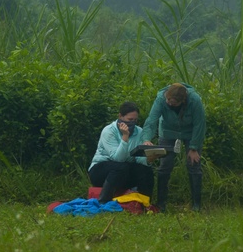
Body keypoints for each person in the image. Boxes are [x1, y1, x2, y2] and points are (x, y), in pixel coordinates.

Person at [141, 82, 206, 211]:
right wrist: (146, 139)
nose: (170, 104)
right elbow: (152, 120)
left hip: (190, 132)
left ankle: (196, 205)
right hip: (167, 131)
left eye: (174, 103)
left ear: (183, 100)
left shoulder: (195, 100)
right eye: (168, 101)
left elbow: (200, 124)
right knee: (165, 165)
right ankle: (161, 204)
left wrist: (193, 148)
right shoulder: (161, 99)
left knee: (194, 165)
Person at [88, 101, 156, 203]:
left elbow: (138, 159)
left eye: (135, 120)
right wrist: (125, 137)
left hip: (125, 170)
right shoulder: (109, 131)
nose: (132, 122)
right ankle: (104, 201)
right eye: (130, 119)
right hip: (101, 170)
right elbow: (118, 158)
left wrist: (149, 159)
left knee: (146, 171)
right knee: (120, 167)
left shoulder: (139, 132)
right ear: (120, 116)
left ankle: (144, 203)